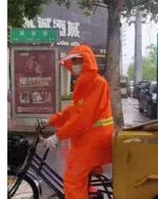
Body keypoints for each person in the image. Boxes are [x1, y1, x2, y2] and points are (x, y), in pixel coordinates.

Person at [42, 45, 114, 199]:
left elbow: (82, 118)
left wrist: (58, 136)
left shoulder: (97, 83)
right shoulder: (84, 84)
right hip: (89, 139)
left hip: (94, 141)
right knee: (77, 173)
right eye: (72, 61)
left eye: (77, 61)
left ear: (87, 61)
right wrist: (51, 120)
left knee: (73, 179)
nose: (74, 65)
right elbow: (73, 111)